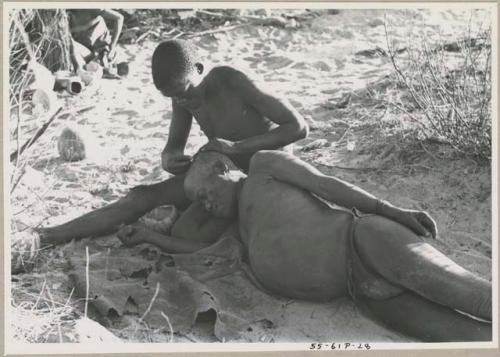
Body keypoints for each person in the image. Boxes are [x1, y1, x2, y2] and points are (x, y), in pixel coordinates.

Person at [116, 150, 492, 342]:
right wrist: (148, 236)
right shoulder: (238, 229)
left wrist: (388, 209)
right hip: (362, 293)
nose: (203, 205)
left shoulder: (264, 168)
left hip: (365, 240)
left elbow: (326, 184)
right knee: (463, 337)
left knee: (471, 296)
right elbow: (191, 247)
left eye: (203, 194)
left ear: (220, 167)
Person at [38, 39, 308, 246]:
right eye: (174, 98)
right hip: (224, 173)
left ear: (200, 69)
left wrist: (236, 148)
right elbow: (173, 147)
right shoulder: (182, 95)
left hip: (267, 173)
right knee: (141, 196)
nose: (183, 102)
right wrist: (170, 159)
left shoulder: (232, 81)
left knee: (199, 235)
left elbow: (297, 127)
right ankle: (46, 236)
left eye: (184, 93)